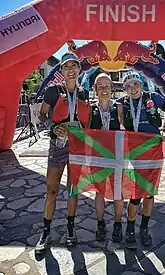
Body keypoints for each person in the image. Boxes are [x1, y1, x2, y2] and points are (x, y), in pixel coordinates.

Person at [35, 53, 89, 254]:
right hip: (57, 145)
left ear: (79, 69)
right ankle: (46, 232)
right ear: (61, 71)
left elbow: (87, 121)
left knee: (73, 189)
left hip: (77, 147)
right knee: (52, 189)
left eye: (74, 65)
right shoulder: (52, 91)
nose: (71, 70)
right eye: (67, 67)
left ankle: (70, 229)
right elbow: (41, 115)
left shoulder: (84, 93)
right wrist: (52, 126)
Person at [118, 71, 165, 249]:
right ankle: (130, 229)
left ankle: (144, 228)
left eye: (135, 84)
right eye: (128, 86)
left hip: (153, 149)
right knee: (135, 193)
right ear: (124, 89)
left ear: (141, 84)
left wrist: (164, 128)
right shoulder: (122, 103)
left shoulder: (153, 97)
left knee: (149, 191)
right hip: (135, 151)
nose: (133, 89)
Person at [89, 73, 124, 243]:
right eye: (100, 86)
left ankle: (118, 224)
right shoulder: (90, 109)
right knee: (100, 192)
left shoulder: (118, 107)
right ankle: (100, 224)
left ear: (112, 89)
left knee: (118, 192)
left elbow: (129, 130)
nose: (104, 89)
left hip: (116, 156)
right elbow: (85, 133)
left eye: (107, 86)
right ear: (95, 90)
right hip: (98, 157)